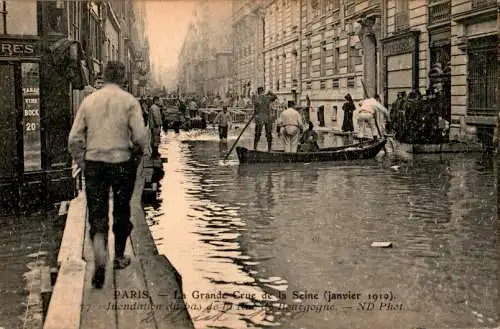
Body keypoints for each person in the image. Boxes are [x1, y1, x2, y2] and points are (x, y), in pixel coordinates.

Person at [68, 61, 150, 289]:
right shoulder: (129, 102)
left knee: (98, 213)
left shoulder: (89, 101)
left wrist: (84, 162)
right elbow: (141, 138)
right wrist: (135, 157)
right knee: (122, 209)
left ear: (103, 77)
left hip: (95, 163)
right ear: (123, 78)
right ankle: (120, 256)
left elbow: (74, 139)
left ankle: (99, 259)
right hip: (122, 162)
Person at [253, 87, 277, 151]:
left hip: (259, 117)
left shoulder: (256, 98)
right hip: (267, 117)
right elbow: (275, 96)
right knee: (268, 133)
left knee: (257, 133)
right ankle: (269, 148)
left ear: (258, 92)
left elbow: (255, 109)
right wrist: (270, 92)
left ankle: (255, 147)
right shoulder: (267, 98)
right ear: (263, 91)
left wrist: (255, 115)